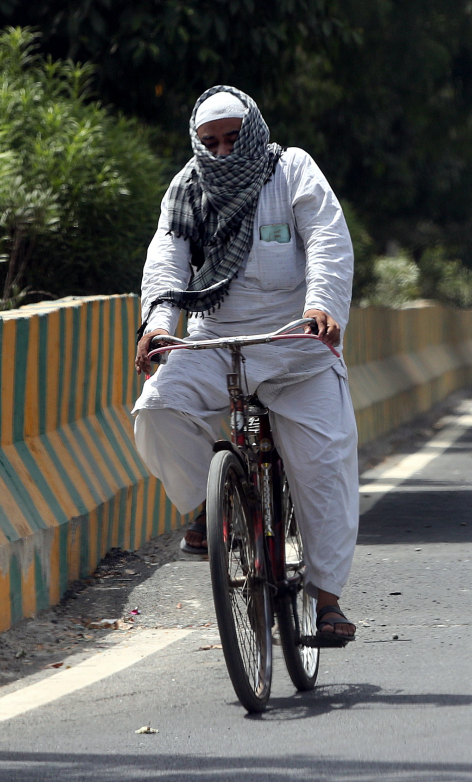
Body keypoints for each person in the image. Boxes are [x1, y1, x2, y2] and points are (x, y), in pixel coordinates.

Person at [131, 85, 359, 644]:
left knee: (323, 464)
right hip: (218, 340)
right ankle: (212, 514)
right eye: (211, 143)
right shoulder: (187, 188)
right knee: (157, 408)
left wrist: (323, 307)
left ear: (253, 130)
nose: (224, 152)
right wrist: (159, 326)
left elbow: (328, 237)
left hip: (297, 343)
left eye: (234, 138)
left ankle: (326, 600)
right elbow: (167, 256)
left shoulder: (292, 171)